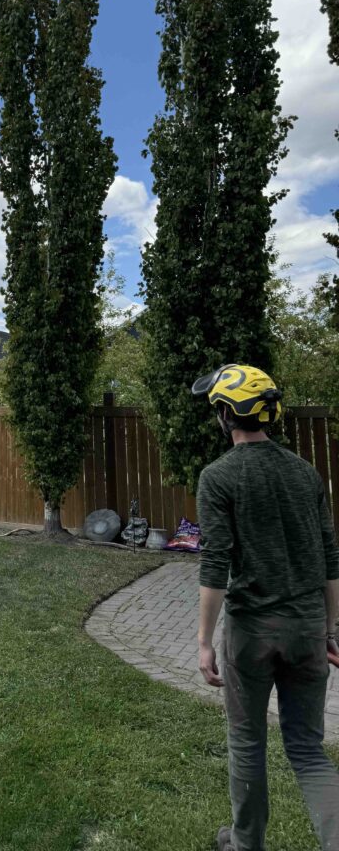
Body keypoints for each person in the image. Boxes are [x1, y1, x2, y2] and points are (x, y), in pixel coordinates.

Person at [193, 363, 339, 851]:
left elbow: (215, 564)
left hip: (251, 633)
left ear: (224, 415)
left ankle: (245, 843)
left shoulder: (218, 477)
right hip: (307, 629)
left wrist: (203, 642)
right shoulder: (305, 473)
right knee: (307, 749)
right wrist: (331, 627)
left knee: (247, 741)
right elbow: (330, 560)